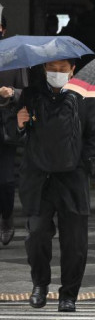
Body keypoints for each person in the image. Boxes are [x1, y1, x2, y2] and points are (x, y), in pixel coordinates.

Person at [17, 59, 95, 312]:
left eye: (62, 68)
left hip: (72, 178)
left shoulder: (84, 96)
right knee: (36, 235)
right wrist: (20, 123)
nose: (57, 73)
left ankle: (69, 294)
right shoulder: (31, 95)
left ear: (73, 69)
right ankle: (40, 285)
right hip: (39, 177)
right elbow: (14, 133)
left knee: (75, 241)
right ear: (44, 69)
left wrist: (86, 165)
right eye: (52, 68)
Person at [0, 14, 28, 245]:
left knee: (7, 180)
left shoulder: (14, 57)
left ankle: (7, 217)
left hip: (6, 126)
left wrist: (11, 93)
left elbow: (25, 92)